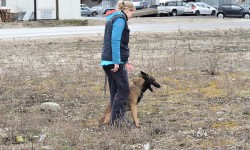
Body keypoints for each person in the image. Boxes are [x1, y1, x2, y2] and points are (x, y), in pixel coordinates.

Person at [100, 1, 135, 126]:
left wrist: (125, 61)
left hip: (107, 60)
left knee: (115, 90)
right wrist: (117, 62)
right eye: (132, 12)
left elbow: (114, 43)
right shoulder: (120, 20)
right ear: (127, 10)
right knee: (124, 89)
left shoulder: (112, 18)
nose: (132, 15)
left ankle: (113, 122)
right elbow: (115, 41)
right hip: (113, 61)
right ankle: (117, 122)